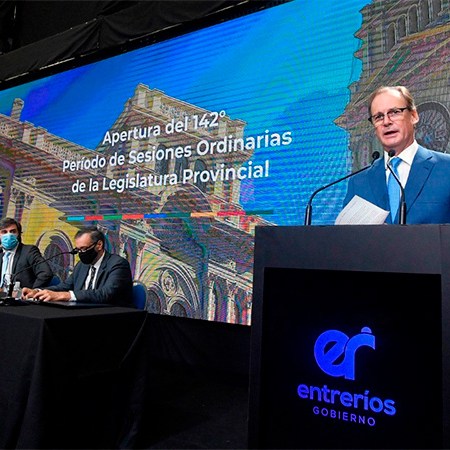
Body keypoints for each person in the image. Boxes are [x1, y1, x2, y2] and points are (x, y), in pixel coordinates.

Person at [343, 85, 450, 224]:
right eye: (378, 117)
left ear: (414, 116)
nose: (386, 122)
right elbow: (347, 235)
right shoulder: (358, 183)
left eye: (394, 112)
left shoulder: (446, 168)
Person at [22, 226, 133, 306]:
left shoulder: (118, 264)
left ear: (99, 245)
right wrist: (37, 292)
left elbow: (105, 294)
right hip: (82, 313)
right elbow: (64, 286)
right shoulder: (82, 265)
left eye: (84, 249)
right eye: (78, 250)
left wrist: (66, 296)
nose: (81, 253)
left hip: (110, 317)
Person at [0, 217, 53, 293]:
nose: (9, 235)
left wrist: (33, 291)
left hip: (20, 297)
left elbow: (46, 273)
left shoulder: (29, 251)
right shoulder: (1, 253)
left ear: (18, 234)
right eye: (4, 232)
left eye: (13, 231)